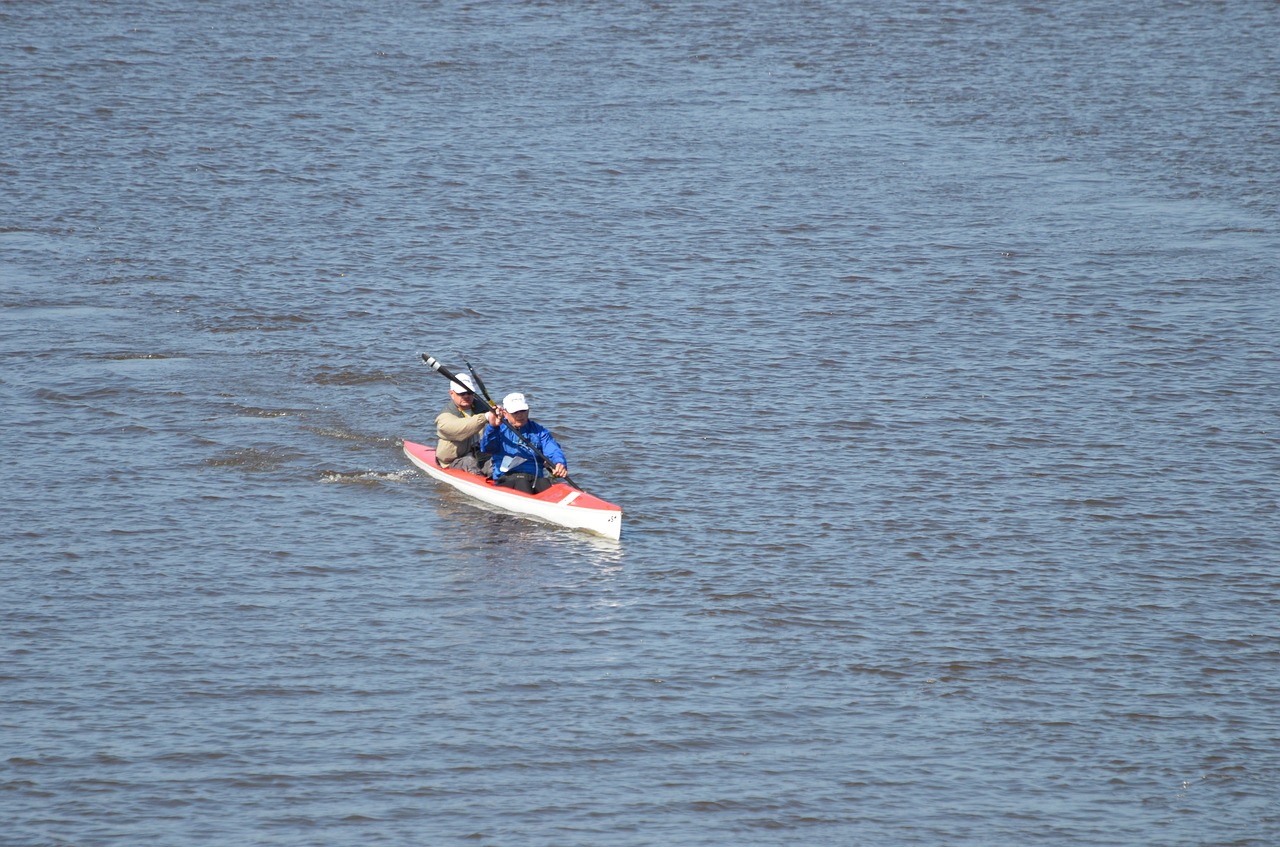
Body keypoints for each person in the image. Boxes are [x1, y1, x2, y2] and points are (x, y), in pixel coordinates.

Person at [479, 391, 569, 494]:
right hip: (506, 478)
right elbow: (486, 448)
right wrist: (493, 427)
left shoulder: (539, 431)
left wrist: (559, 462)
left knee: (544, 483)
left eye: (523, 411)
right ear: (505, 414)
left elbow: (553, 449)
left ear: (528, 410)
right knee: (522, 483)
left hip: (535, 477)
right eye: (515, 412)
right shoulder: (498, 430)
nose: (520, 415)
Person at [434, 373, 501, 476]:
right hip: (455, 460)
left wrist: (504, 416)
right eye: (462, 393)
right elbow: (461, 428)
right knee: (469, 462)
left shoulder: (483, 408)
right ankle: (479, 486)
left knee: (497, 463)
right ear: (451, 393)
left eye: (469, 392)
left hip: (481, 455)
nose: (466, 396)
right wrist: (486, 417)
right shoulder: (444, 418)